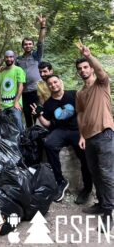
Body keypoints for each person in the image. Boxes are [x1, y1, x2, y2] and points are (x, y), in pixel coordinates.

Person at [30, 75, 92, 203]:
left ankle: (87, 188)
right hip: (60, 131)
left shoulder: (73, 94)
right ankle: (60, 181)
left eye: (55, 82)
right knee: (49, 144)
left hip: (76, 130)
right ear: (48, 87)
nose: (53, 85)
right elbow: (47, 124)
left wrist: (85, 133)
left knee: (84, 154)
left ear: (60, 82)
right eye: (50, 84)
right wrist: (39, 115)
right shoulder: (48, 104)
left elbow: (85, 111)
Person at [75, 42, 114, 232]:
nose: (83, 70)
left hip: (105, 134)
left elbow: (101, 70)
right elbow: (80, 114)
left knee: (107, 175)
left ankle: (109, 213)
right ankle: (101, 204)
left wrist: (89, 56)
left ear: (90, 68)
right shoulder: (80, 93)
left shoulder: (102, 84)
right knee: (96, 173)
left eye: (85, 67)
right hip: (89, 138)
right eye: (80, 69)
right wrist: (82, 135)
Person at [16, 15, 46, 127]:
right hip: (24, 92)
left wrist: (42, 27)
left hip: (36, 91)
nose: (28, 46)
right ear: (22, 46)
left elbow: (41, 43)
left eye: (30, 44)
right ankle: (29, 139)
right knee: (27, 116)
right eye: (25, 44)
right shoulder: (18, 59)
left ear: (32, 46)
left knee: (36, 114)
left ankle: (38, 136)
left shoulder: (36, 56)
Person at [0, 50, 25, 134]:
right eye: (7, 57)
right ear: (4, 58)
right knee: (3, 125)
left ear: (14, 58)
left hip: (14, 104)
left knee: (18, 121)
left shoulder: (18, 70)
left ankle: (23, 140)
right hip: (3, 104)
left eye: (11, 57)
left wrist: (16, 102)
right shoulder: (1, 72)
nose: (9, 59)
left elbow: (21, 86)